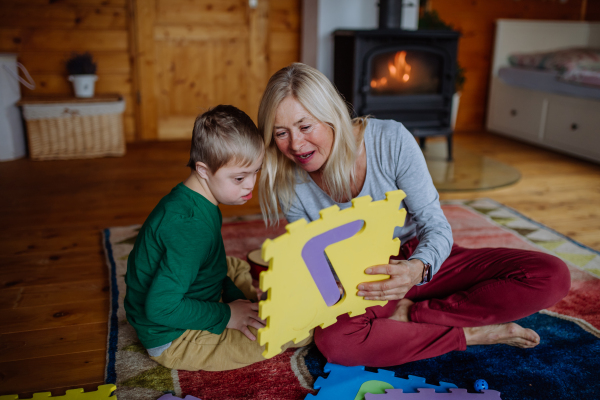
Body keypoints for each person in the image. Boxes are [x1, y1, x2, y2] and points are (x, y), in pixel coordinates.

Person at [257, 63, 571, 367]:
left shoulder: (390, 140)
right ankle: (468, 334)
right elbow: (318, 260)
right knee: (335, 342)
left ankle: (415, 315)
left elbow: (435, 223)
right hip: (364, 279)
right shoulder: (288, 182)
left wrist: (417, 269)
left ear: (331, 116)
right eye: (281, 133)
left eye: (305, 126)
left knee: (552, 275)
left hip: (417, 259)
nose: (296, 144)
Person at [124, 105, 310, 372]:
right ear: (203, 170)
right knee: (288, 331)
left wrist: (234, 300)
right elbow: (159, 309)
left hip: (187, 298)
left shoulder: (197, 200)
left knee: (231, 266)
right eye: (239, 177)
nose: (250, 184)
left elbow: (209, 266)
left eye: (255, 171)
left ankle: (242, 306)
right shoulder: (191, 228)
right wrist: (228, 314)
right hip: (175, 337)